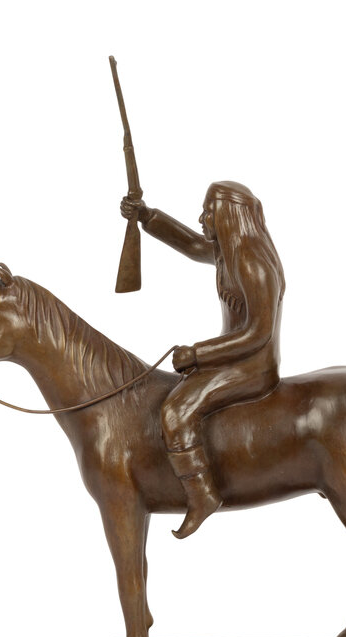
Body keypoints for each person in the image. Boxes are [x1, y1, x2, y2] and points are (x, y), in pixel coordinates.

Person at [121, 181, 285, 539]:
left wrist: (199, 353)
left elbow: (259, 333)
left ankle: (202, 494)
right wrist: (147, 217)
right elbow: (193, 245)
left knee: (175, 410)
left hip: (252, 366)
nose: (202, 218)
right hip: (231, 359)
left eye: (209, 211)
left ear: (229, 217)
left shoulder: (252, 262)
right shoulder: (228, 252)